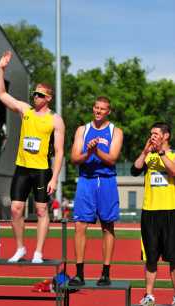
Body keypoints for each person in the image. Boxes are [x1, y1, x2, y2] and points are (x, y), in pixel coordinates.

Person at [0, 51, 65, 263]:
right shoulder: (25, 110)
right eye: (34, 94)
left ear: (49, 98)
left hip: (42, 170)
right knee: (16, 209)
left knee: (41, 209)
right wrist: (1, 69)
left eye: (40, 95)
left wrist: (54, 178)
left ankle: (38, 252)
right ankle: (20, 248)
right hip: (23, 168)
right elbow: (1, 94)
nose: (36, 97)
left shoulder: (55, 120)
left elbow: (60, 151)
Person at [70, 96, 123, 286]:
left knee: (107, 225)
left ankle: (106, 272)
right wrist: (88, 153)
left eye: (103, 109)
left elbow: (112, 158)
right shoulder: (82, 130)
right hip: (86, 180)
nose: (98, 111)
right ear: (93, 109)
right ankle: (79, 273)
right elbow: (75, 158)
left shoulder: (115, 131)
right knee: (80, 225)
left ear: (108, 111)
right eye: (96, 108)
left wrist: (96, 151)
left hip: (107, 180)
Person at [131, 122, 175, 306]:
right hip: (149, 211)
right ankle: (149, 295)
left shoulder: (172, 154)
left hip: (171, 211)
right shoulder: (148, 155)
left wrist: (162, 153)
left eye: (156, 134)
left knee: (174, 257)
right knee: (150, 257)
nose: (153, 136)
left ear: (166, 136)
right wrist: (145, 151)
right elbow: (135, 170)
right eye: (151, 134)